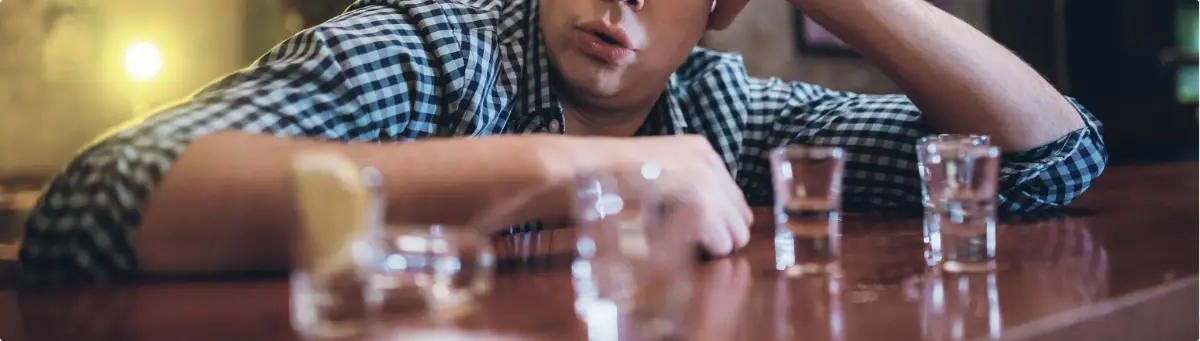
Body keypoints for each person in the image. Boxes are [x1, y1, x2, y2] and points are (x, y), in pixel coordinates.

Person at [19, 0, 1106, 283]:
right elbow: (103, 202)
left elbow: (1045, 161)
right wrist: (577, 166)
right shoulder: (428, 52)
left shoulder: (725, 113)